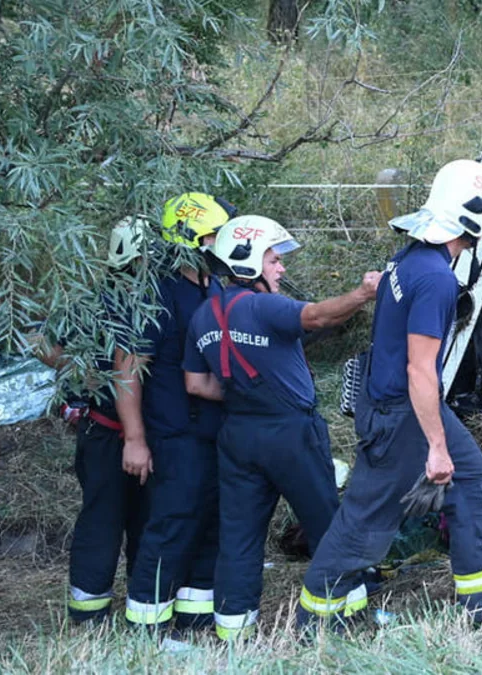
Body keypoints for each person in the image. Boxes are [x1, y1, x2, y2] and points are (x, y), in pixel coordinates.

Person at [298, 159, 482, 628]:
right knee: (365, 521)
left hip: (396, 402)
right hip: (401, 412)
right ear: (476, 221)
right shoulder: (435, 279)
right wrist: (435, 447)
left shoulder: (409, 256)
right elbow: (421, 371)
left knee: (479, 484)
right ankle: (315, 621)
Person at [182, 215, 380, 640]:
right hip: (291, 433)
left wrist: (248, 396)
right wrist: (363, 293)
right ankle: (342, 618)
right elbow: (319, 317)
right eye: (274, 259)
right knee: (328, 523)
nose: (282, 268)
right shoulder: (262, 305)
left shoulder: (202, 317)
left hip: (237, 435)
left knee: (239, 535)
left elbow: (196, 384)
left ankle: (234, 631)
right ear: (249, 262)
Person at [121, 192, 237, 632]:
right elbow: (127, 366)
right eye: (214, 235)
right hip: (175, 432)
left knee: (210, 524)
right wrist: (135, 439)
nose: (222, 242)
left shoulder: (214, 286)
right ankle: (146, 628)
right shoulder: (158, 292)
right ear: (191, 238)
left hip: (214, 431)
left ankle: (194, 622)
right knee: (171, 525)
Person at [36, 216, 151, 624]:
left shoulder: (93, 296)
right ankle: (96, 610)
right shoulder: (112, 300)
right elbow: (43, 343)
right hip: (112, 432)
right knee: (113, 519)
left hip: (112, 431)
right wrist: (87, 372)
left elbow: (43, 344)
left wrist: (81, 370)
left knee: (116, 518)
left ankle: (111, 607)